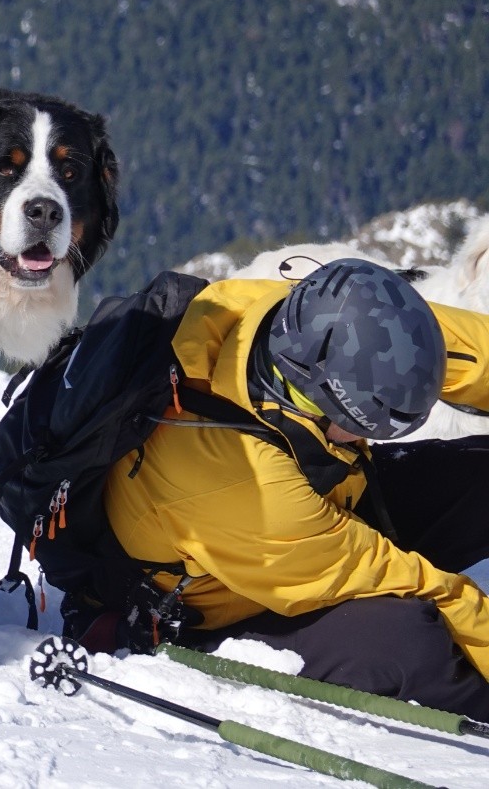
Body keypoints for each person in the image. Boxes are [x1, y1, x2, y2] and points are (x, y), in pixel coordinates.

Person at [101, 258, 489, 719]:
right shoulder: (243, 483)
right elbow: (429, 589)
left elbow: (449, 346)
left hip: (315, 503)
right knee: (414, 641)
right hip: (221, 600)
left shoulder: (303, 316)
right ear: (327, 405)